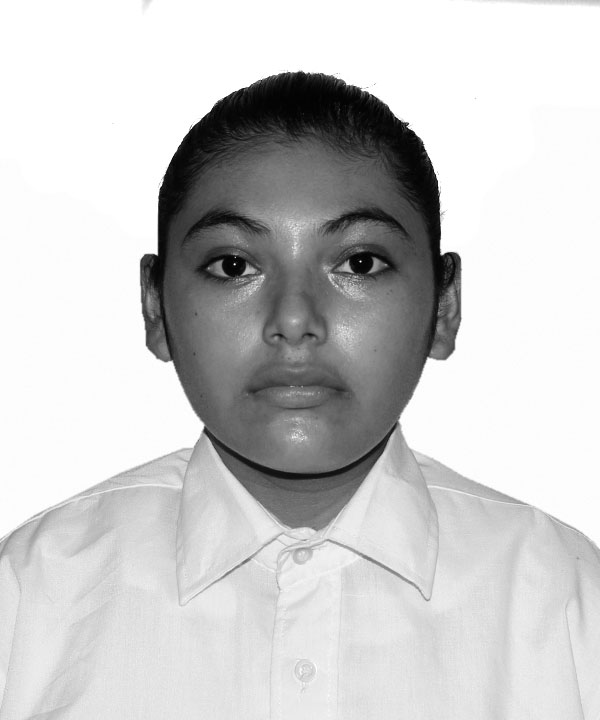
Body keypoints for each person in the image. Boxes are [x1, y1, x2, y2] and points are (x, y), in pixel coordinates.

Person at [0, 72, 598, 719]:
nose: (293, 320)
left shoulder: (564, 600)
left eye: (359, 263)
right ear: (154, 305)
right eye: (234, 265)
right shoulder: (30, 598)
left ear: (445, 305)